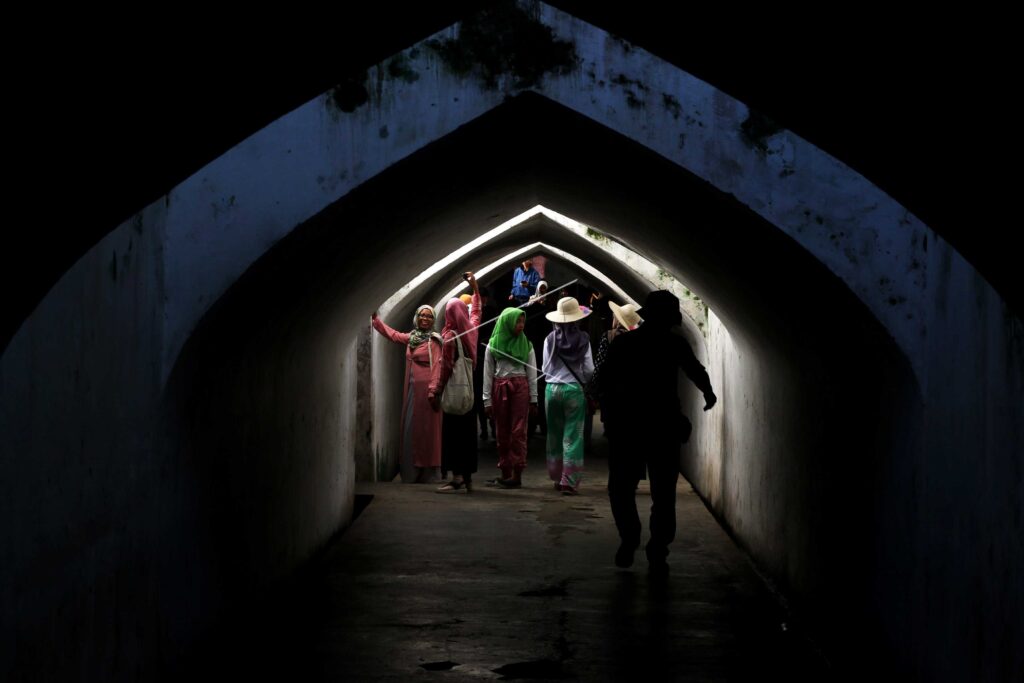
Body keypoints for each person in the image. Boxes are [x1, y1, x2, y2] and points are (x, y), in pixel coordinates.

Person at [598, 290, 717, 575]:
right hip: (664, 426)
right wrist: (708, 393)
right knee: (664, 495)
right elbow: (695, 370)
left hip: (628, 427)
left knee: (621, 488)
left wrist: (609, 416)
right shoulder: (675, 344)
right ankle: (658, 548)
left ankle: (630, 536)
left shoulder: (624, 344)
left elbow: (604, 381)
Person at [371, 303, 445, 483]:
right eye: (422, 315)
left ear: (433, 320)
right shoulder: (413, 337)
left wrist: (433, 390)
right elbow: (394, 336)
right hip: (412, 390)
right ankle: (412, 470)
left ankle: (427, 472)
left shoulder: (433, 341)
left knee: (427, 431)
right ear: (416, 317)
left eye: (429, 316)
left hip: (427, 391)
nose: (425, 319)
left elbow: (438, 366)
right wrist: (376, 321)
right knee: (412, 428)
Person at [542, 297, 594, 495]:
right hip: (573, 390)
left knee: (554, 435)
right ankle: (568, 481)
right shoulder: (584, 340)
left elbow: (545, 368)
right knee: (573, 436)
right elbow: (589, 370)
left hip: (552, 390)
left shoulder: (550, 339)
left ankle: (557, 476)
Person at [436, 273, 483, 493]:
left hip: (454, 391)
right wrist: (475, 287)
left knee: (453, 436)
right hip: (469, 391)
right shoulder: (471, 330)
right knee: (468, 436)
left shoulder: (449, 337)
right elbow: (476, 311)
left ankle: (455, 478)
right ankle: (468, 479)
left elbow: (445, 368)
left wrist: (437, 390)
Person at [482, 308, 538, 488]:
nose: (521, 326)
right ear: (507, 322)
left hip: (520, 389)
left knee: (518, 432)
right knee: (502, 431)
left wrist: (534, 399)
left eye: (523, 322)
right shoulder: (492, 344)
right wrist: (487, 400)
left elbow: (532, 374)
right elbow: (487, 374)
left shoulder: (526, 345)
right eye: (517, 321)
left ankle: (517, 474)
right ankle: (505, 472)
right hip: (500, 388)